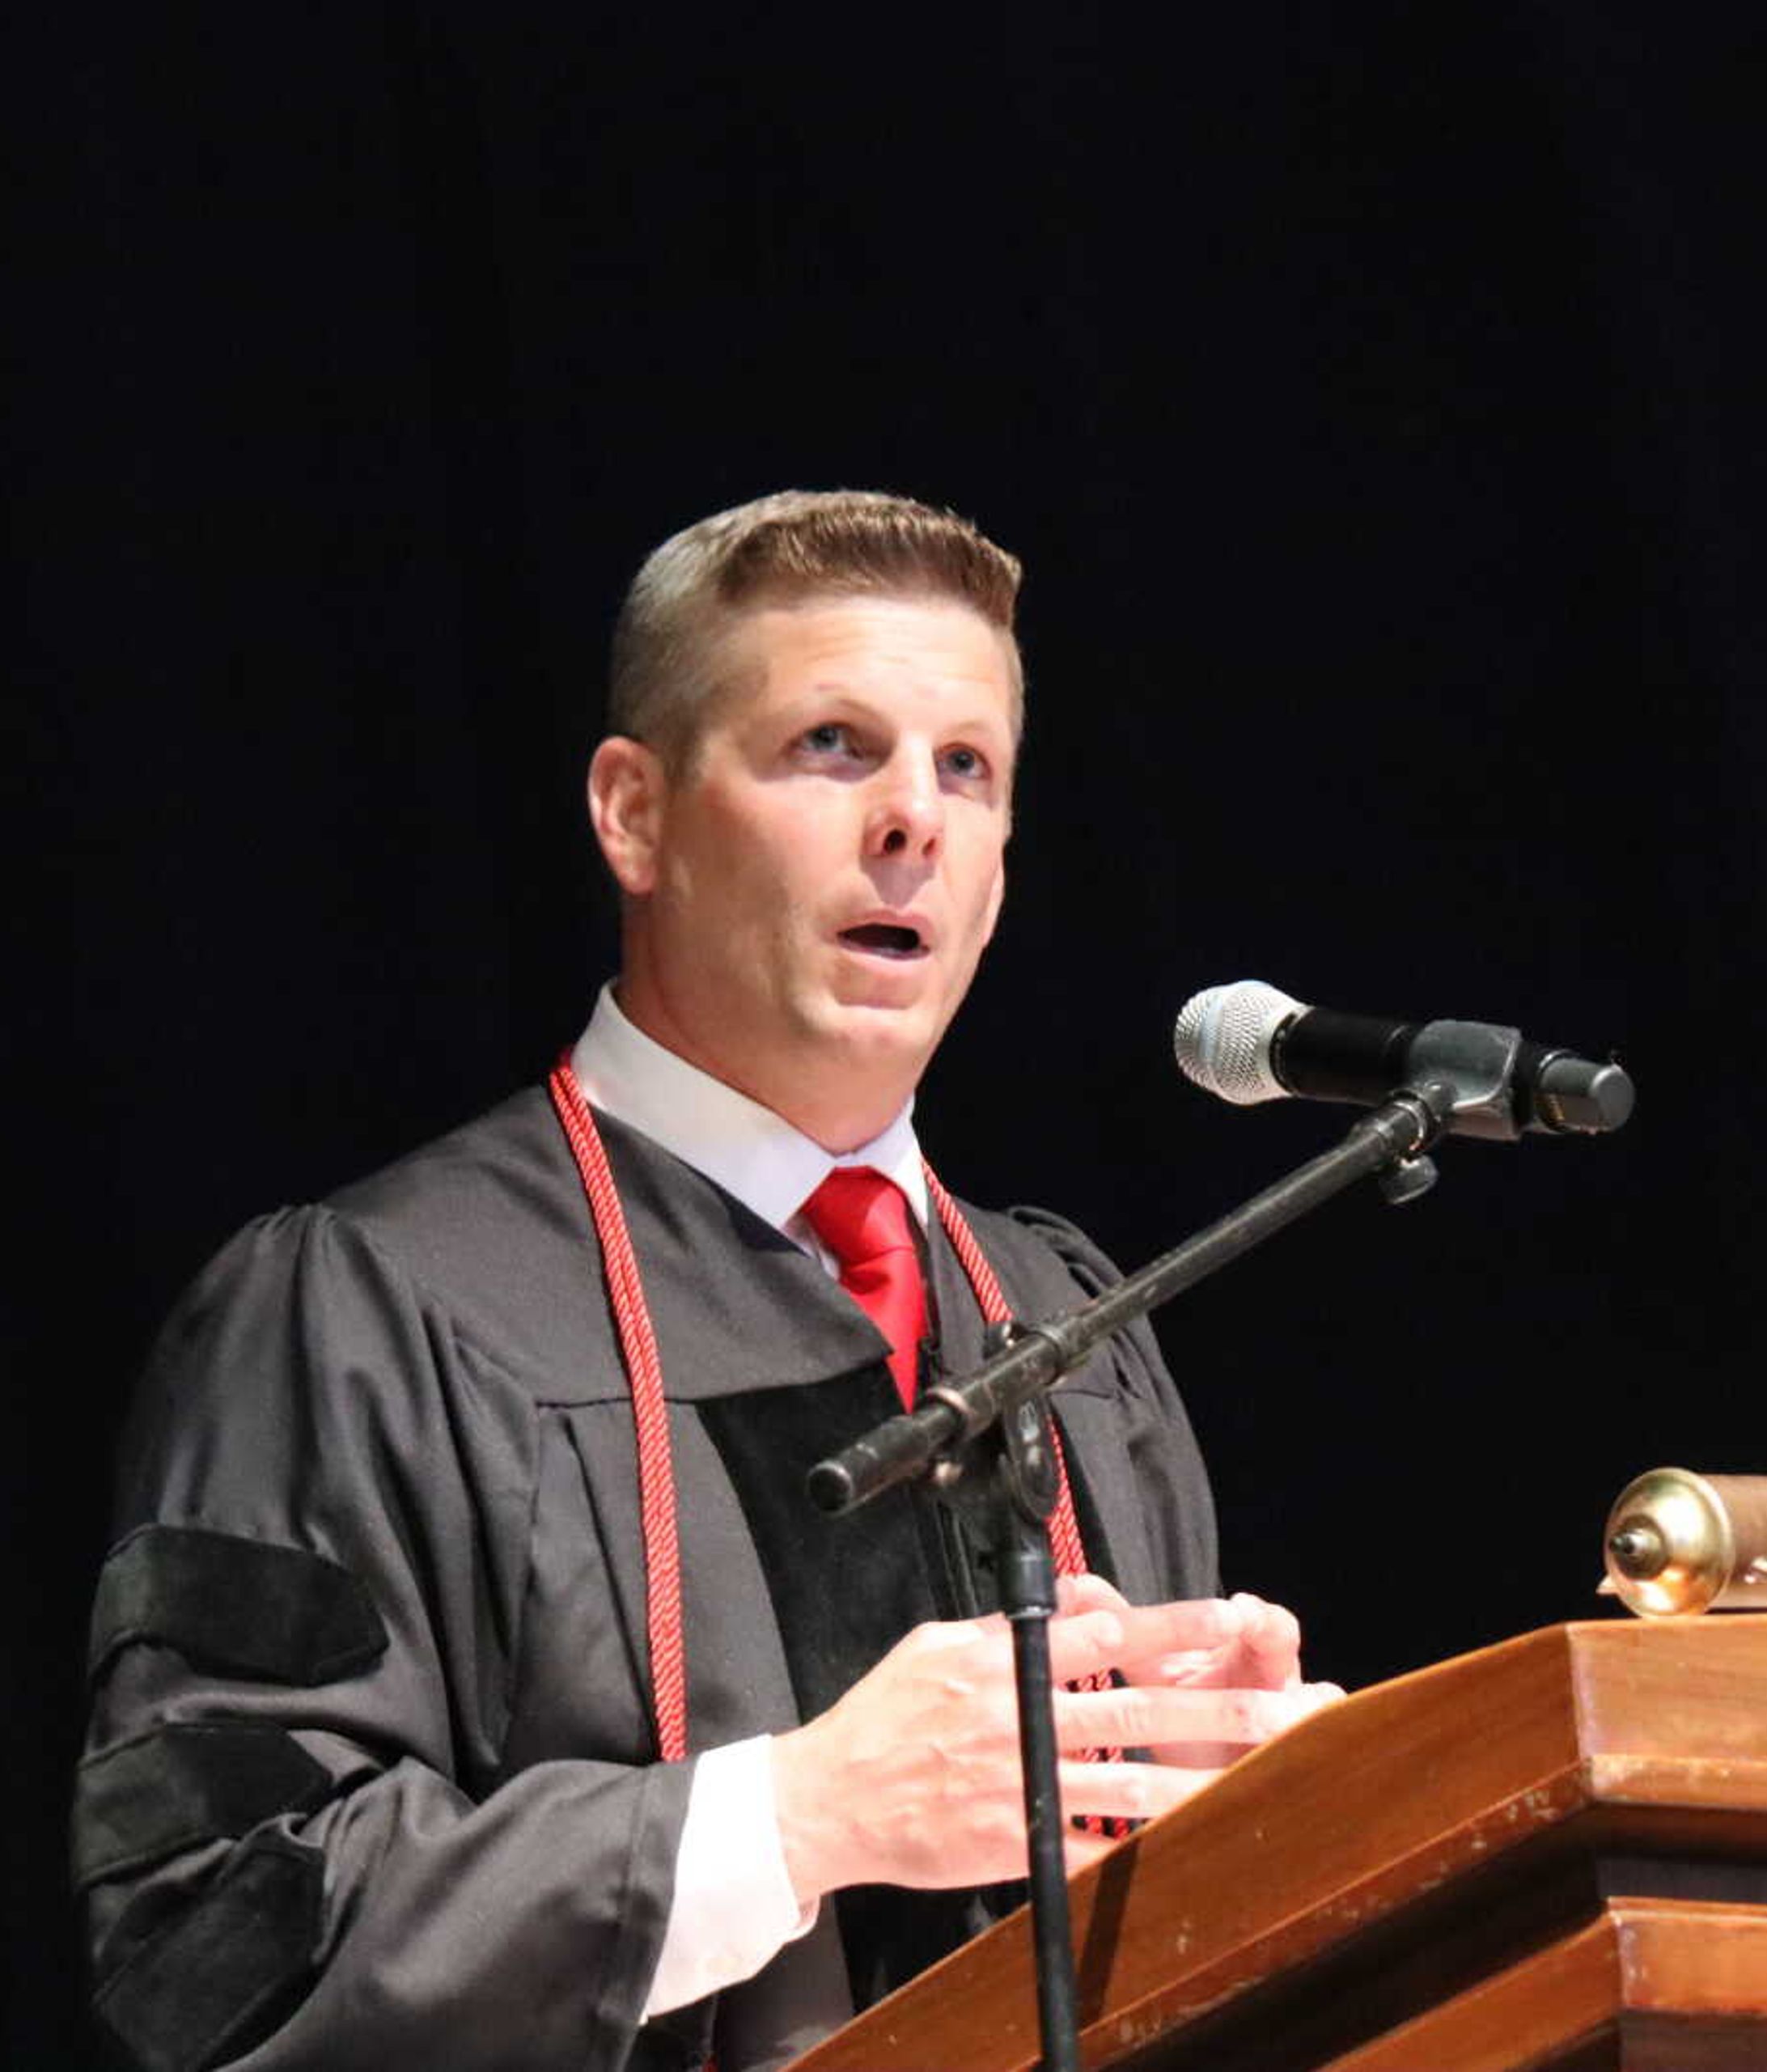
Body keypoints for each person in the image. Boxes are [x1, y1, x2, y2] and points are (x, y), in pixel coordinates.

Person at [74, 490, 1337, 2072]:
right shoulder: (369, 1314)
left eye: (968, 767)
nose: (913, 821)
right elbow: (214, 1927)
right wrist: (800, 1819)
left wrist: (1263, 1809)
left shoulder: (1072, 1332)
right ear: (635, 815)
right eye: (832, 745)